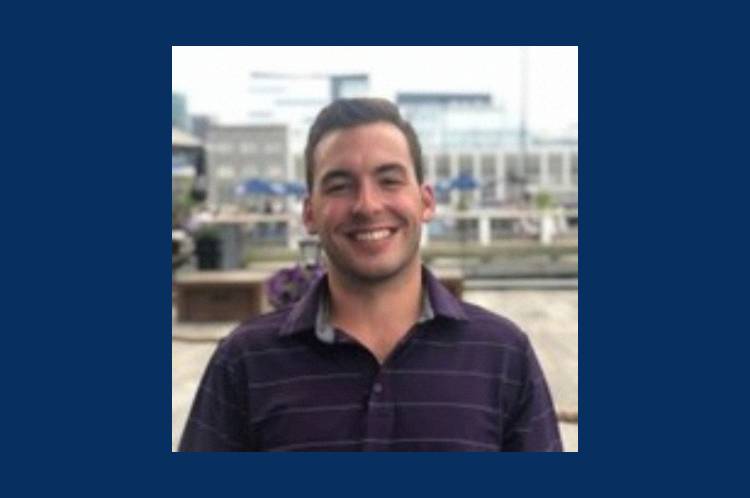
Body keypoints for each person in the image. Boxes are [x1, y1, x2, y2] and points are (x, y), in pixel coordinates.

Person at [179, 98, 562, 452]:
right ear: (310, 213)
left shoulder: (503, 355)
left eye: (389, 180)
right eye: (340, 185)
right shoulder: (245, 362)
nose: (367, 205)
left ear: (426, 201)